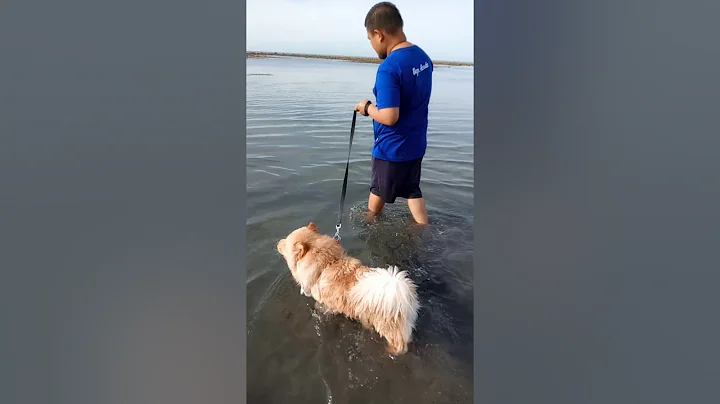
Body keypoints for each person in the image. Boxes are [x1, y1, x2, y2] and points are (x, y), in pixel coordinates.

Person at [355, 2, 433, 225]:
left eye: (370, 39)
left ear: (379, 34)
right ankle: (422, 228)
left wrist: (367, 108)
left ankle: (368, 226)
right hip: (416, 145)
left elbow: (390, 117)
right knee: (412, 190)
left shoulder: (389, 67)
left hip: (392, 148)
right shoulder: (423, 59)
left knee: (377, 192)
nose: (371, 44)